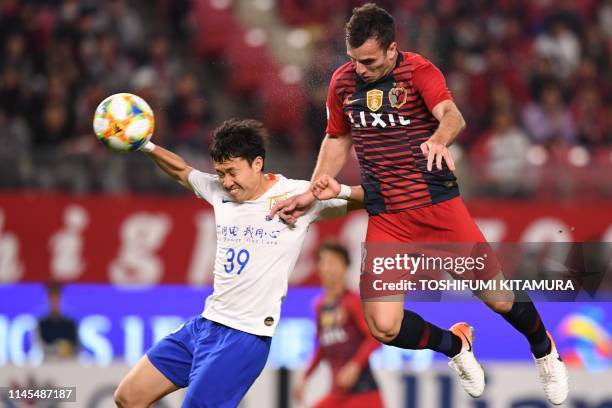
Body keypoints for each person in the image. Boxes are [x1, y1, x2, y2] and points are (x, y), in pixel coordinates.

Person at [272, 3, 568, 405]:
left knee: (498, 298)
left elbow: (451, 115)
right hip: (388, 219)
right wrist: (313, 187)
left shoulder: (419, 71)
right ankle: (455, 345)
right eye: (353, 59)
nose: (359, 68)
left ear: (392, 49)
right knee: (383, 326)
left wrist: (438, 139)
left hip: (438, 208)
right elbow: (336, 138)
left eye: (369, 60)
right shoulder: (343, 83)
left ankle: (543, 348)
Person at [114, 119, 360, 408]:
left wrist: (341, 189)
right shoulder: (219, 191)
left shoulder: (299, 197)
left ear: (257, 163)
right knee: (129, 396)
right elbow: (181, 170)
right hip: (205, 325)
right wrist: (145, 145)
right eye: (220, 173)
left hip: (245, 336)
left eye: (232, 172)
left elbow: (366, 199)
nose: (227, 182)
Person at [293, 242, 383, 408]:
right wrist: (305, 377)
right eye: (324, 262)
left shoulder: (353, 302)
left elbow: (375, 338)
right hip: (338, 395)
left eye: (334, 262)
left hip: (364, 395)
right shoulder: (320, 306)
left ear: (345, 267)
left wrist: (355, 366)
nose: (328, 268)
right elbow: (321, 347)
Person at [37, 282, 78, 360]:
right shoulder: (41, 323)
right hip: (48, 364)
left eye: (57, 297)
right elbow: (40, 346)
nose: (54, 301)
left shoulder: (70, 323)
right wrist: (58, 348)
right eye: (52, 297)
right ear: (48, 299)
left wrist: (66, 349)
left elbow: (76, 347)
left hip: (68, 364)